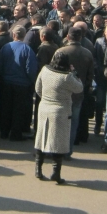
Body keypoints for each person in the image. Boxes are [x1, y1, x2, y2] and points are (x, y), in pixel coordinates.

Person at [34, 52, 84, 184]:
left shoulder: (45, 70)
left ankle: (38, 169)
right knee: (59, 143)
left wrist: (45, 98)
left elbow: (38, 88)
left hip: (44, 107)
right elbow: (79, 88)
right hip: (60, 111)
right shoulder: (67, 77)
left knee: (41, 138)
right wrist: (75, 73)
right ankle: (56, 173)